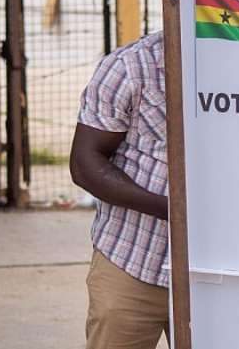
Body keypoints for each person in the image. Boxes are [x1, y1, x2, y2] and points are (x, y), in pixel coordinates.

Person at [70, 31, 170, 349]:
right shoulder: (130, 66)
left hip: (219, 271)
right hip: (133, 259)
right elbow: (85, 164)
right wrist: (173, 210)